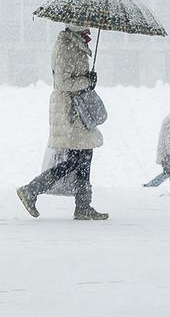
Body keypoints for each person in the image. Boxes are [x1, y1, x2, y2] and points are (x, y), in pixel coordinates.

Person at [16, 24, 108, 220]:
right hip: (69, 111)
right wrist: (86, 82)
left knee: (84, 155)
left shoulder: (76, 43)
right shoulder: (66, 46)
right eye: (85, 25)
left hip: (76, 108)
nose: (89, 28)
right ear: (77, 26)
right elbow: (62, 83)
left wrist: (88, 79)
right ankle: (31, 190)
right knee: (77, 158)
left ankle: (83, 206)